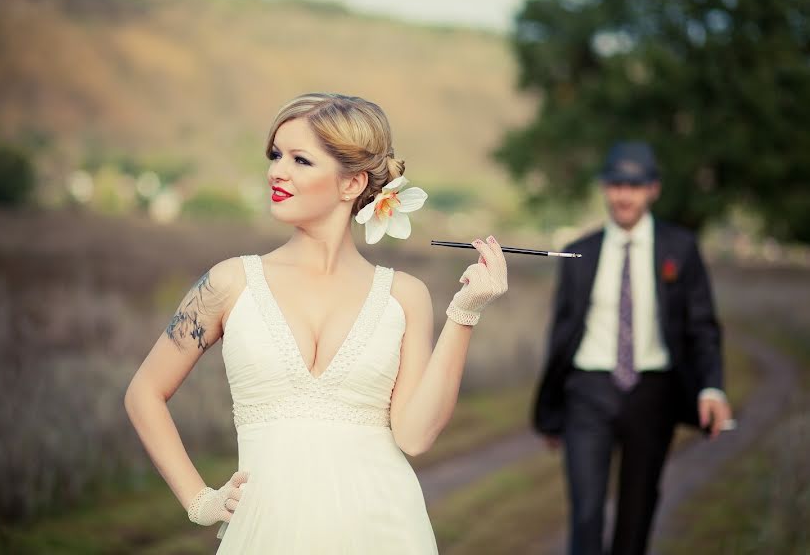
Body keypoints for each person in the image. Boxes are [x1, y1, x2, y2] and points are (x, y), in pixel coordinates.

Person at [124, 93, 508, 553]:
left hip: (386, 531)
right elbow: (144, 393)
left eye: (300, 159)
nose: (276, 171)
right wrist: (199, 499)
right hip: (265, 537)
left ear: (352, 184)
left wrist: (465, 312)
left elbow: (415, 434)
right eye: (275, 155)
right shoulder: (229, 283)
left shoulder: (405, 296)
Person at [532, 142, 733, 555]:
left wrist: (711, 389)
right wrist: (551, 413)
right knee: (586, 515)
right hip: (587, 395)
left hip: (653, 394)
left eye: (635, 185)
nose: (624, 195)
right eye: (616, 184)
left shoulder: (680, 249)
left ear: (653, 189)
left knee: (636, 517)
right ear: (605, 189)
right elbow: (561, 335)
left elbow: (703, 327)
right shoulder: (579, 251)